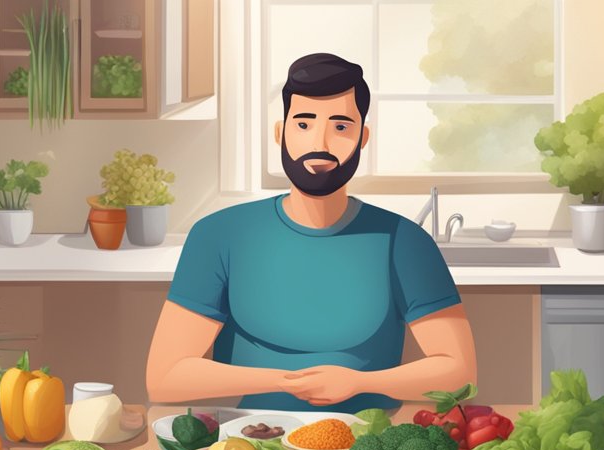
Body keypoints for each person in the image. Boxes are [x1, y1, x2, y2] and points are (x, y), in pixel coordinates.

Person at [146, 52, 477, 411]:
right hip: (249, 447)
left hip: (368, 444)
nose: (320, 143)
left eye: (340, 127)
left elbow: (460, 374)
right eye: (303, 124)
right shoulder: (219, 235)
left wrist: (359, 383)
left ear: (362, 137)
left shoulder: (406, 243)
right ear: (280, 132)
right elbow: (164, 378)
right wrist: (286, 381)